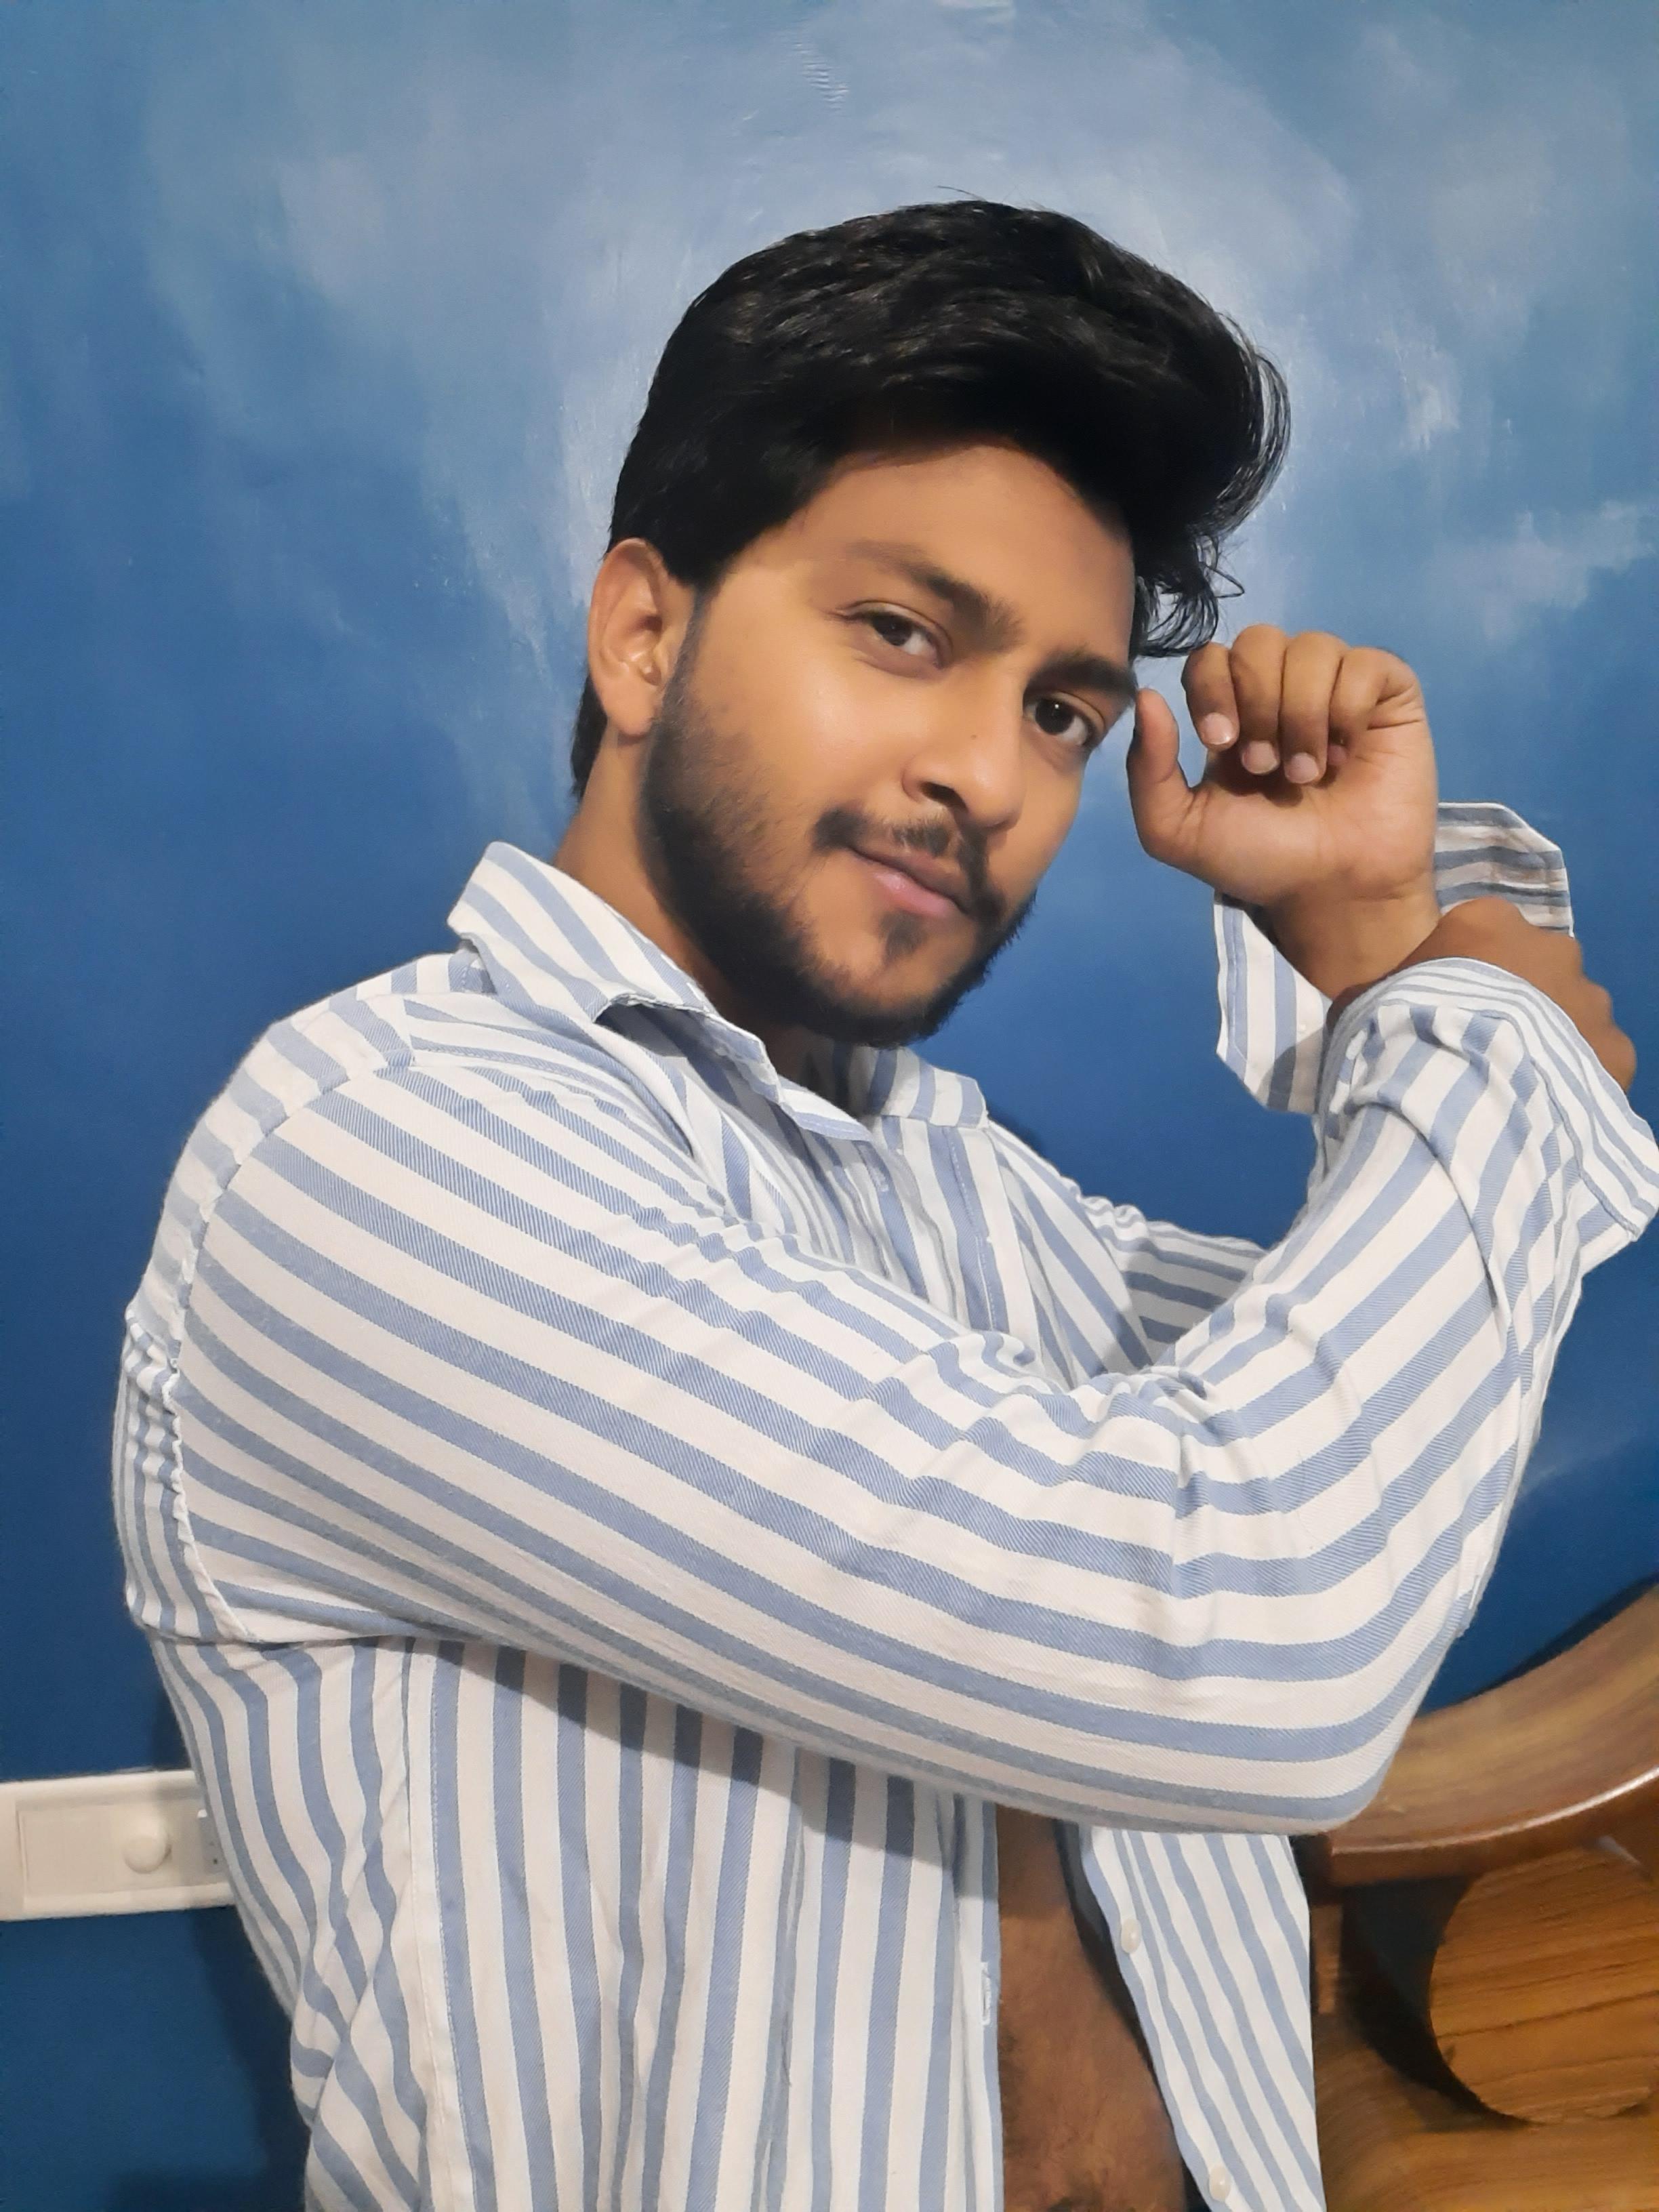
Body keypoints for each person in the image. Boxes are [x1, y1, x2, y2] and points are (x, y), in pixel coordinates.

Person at [114, 201, 1655, 2212]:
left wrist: (1379, 944)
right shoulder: (377, 1158)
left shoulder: (960, 1188)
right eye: (905, 634)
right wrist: (1482, 1038)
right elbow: (1253, 1624)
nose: (986, 777)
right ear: (643, 634)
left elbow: (1391, 1449)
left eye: (1061, 712)